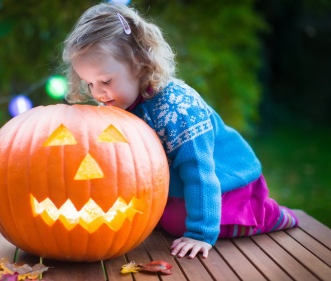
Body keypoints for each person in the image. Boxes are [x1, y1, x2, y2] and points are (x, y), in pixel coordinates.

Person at [61, 3, 299, 259]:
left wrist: (200, 234)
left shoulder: (177, 109)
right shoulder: (118, 102)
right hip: (176, 188)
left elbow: (200, 173)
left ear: (139, 62)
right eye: (89, 83)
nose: (97, 93)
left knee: (177, 223)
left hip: (225, 184)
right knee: (163, 219)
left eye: (105, 81)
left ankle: (270, 215)